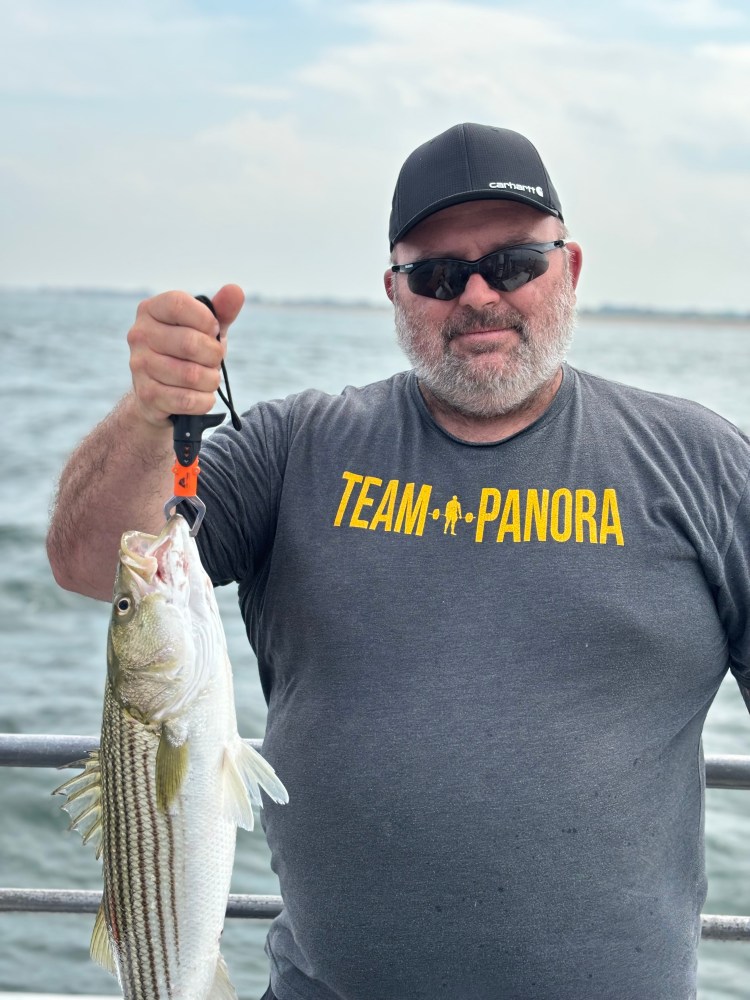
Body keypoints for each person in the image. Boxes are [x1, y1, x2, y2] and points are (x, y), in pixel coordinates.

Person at [47, 123, 750, 1000]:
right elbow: (88, 561)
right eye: (438, 275)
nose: (479, 295)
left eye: (516, 264)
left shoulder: (706, 464)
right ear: (394, 291)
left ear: (569, 270)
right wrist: (152, 412)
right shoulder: (294, 445)